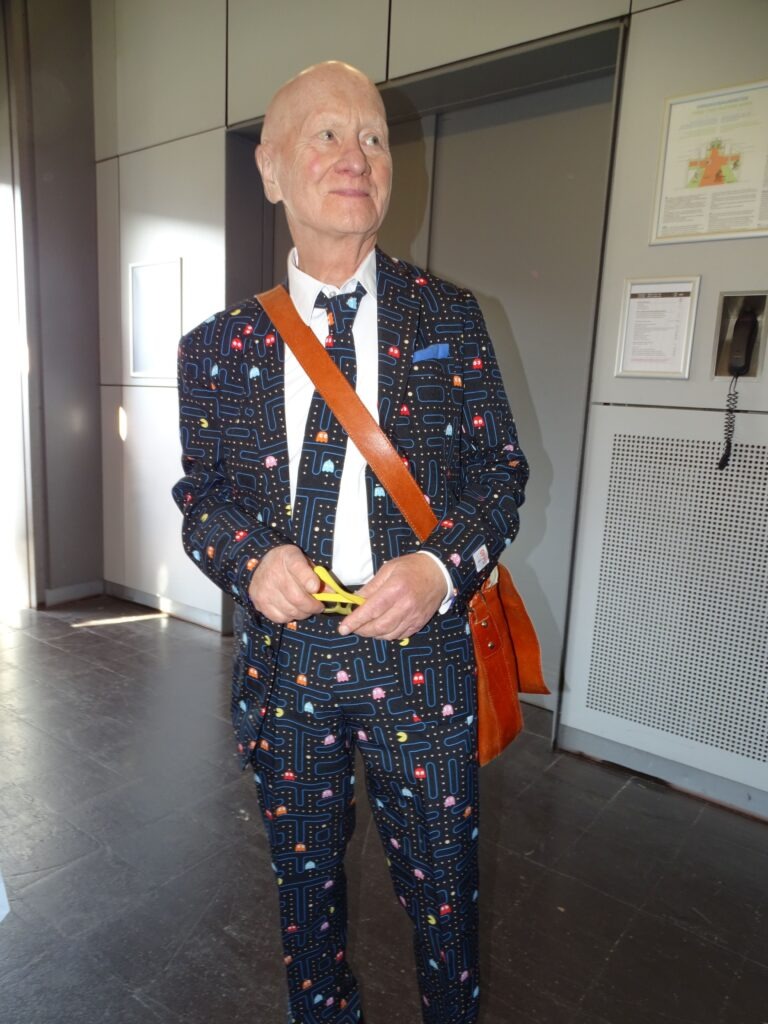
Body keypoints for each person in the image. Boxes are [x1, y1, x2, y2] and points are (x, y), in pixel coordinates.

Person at [173, 60, 528, 1024]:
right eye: (326, 134)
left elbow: (501, 476)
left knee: (447, 900)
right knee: (306, 901)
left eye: (373, 137)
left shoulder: (449, 316)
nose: (356, 156)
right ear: (271, 168)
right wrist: (251, 559)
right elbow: (201, 499)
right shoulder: (217, 349)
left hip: (425, 661)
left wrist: (439, 569)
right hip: (288, 665)